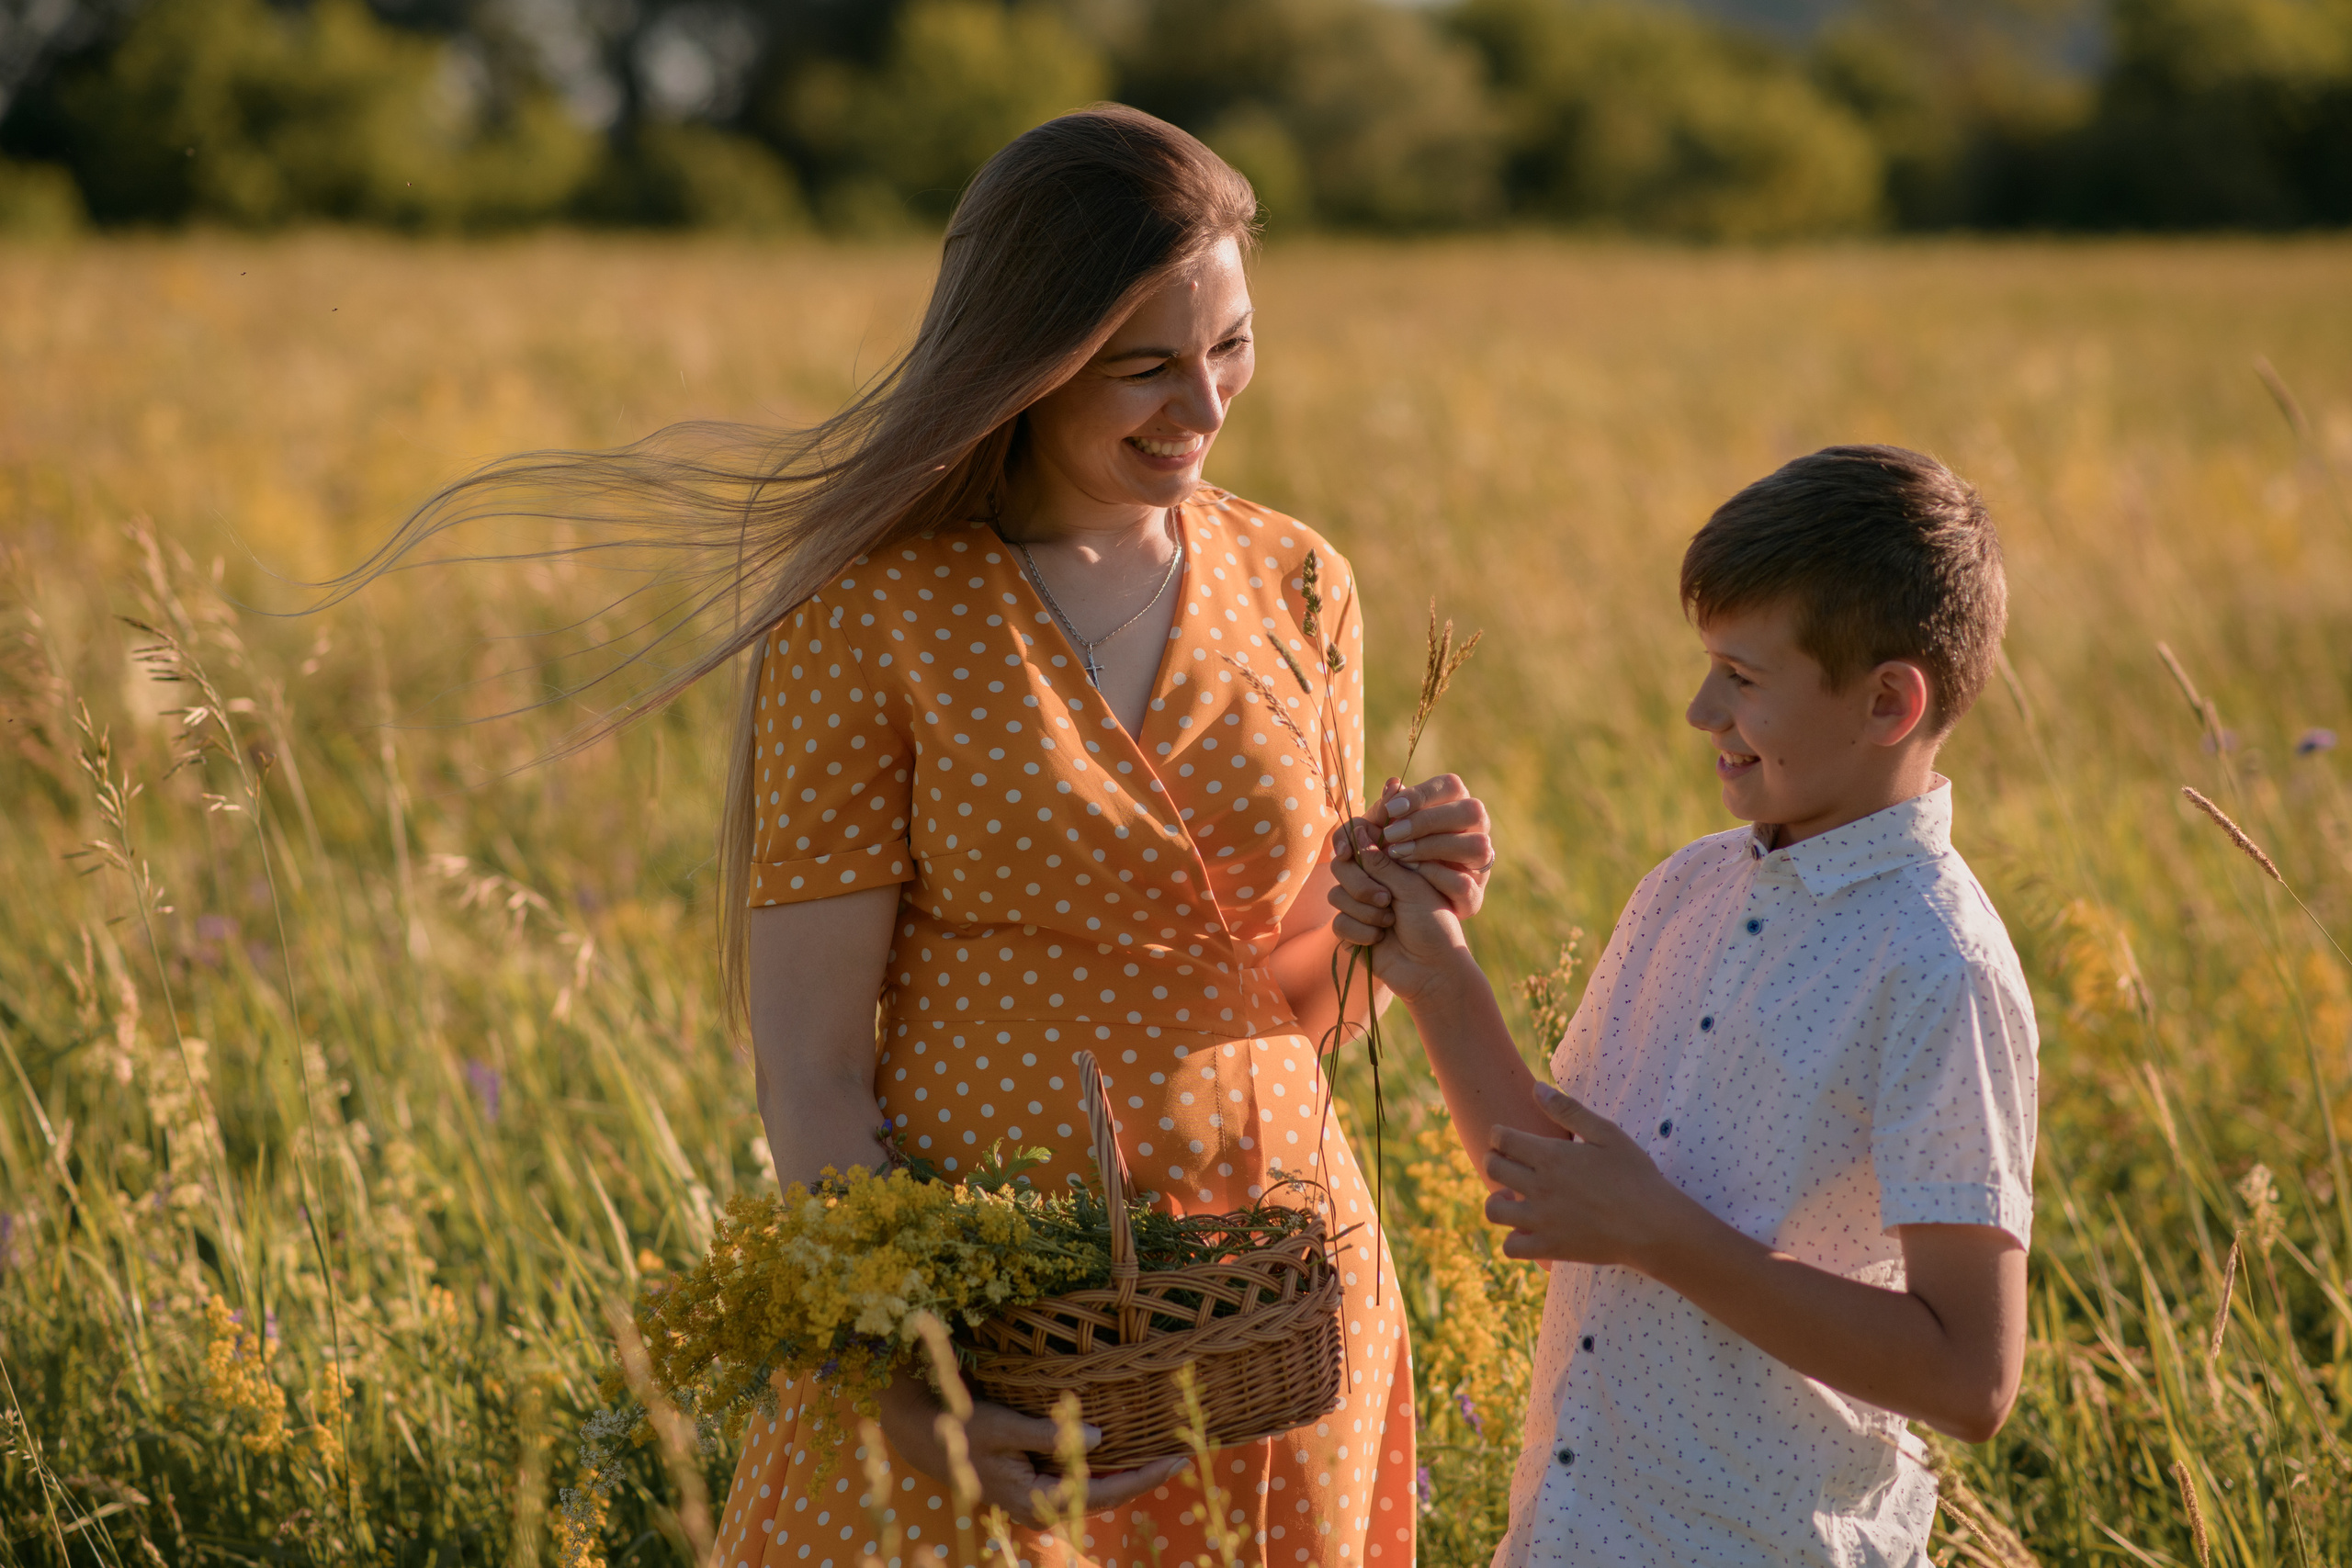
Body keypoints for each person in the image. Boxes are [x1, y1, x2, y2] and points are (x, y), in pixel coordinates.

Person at [708, 107, 1496, 1568]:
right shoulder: (872, 610)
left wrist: (1406, 906)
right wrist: (910, 1385)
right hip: (993, 1341)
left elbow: (1298, 1007)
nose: (1201, 405)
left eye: (1232, 348)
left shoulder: (1302, 583)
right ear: (1025, 357)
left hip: (1268, 1321)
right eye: (1146, 365)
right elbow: (809, 1066)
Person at [1330, 445, 2037, 1566]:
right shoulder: (1687, 889)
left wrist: (1660, 1236)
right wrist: (1435, 967)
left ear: (1887, 701)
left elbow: (1969, 1376)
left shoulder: (1937, 966)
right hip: (1569, 1534)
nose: (1699, 707)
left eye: (1743, 679)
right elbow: (1560, 1185)